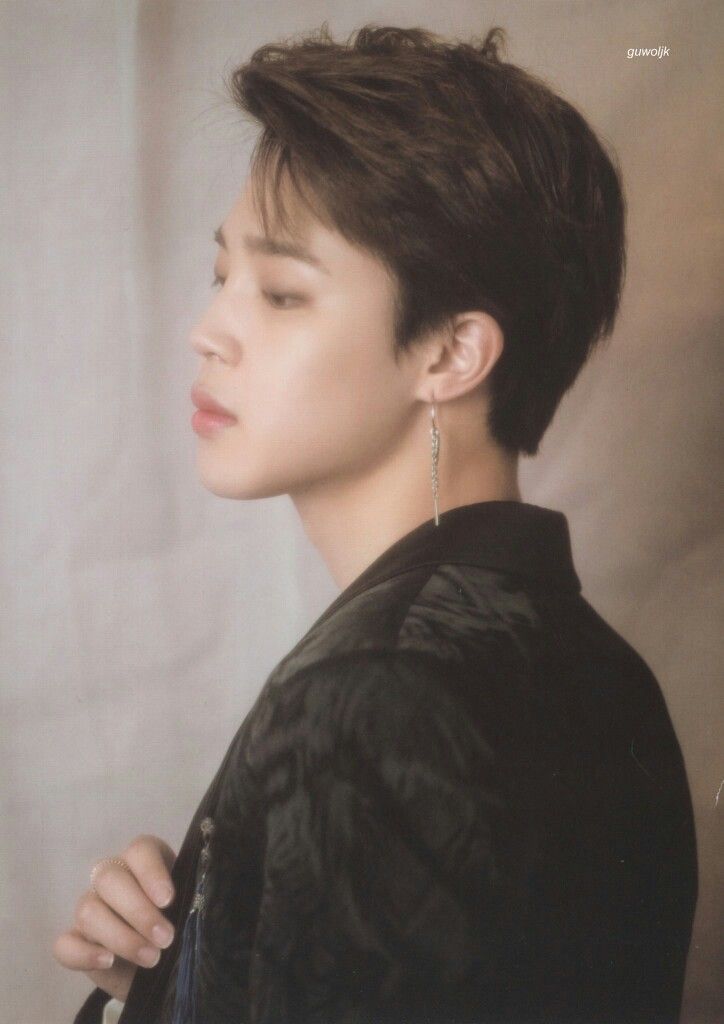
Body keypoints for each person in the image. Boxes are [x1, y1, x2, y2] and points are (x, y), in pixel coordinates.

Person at [54, 22, 698, 1024]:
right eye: (222, 276)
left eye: (281, 292)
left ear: (450, 353)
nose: (208, 330)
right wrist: (182, 972)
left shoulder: (369, 698)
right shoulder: (607, 675)